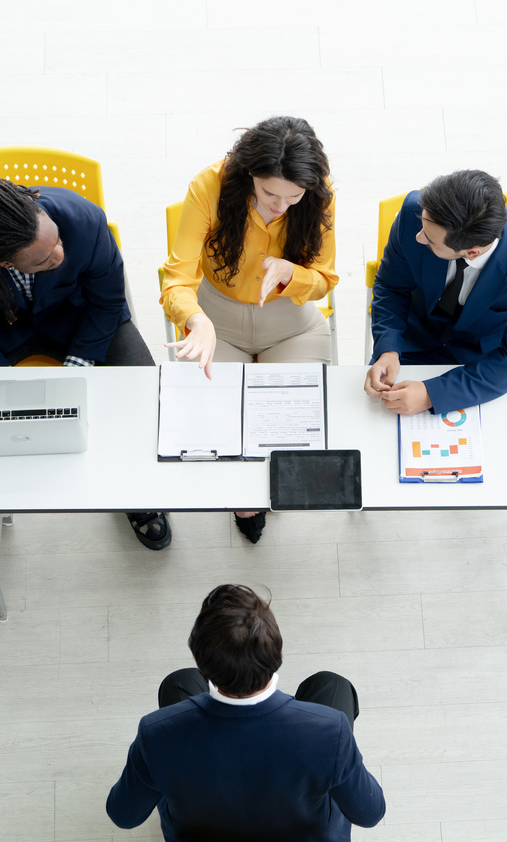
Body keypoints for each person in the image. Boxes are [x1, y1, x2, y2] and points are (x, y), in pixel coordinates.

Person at [0, 179, 171, 554]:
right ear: (4, 261)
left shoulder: (85, 219)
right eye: (44, 260)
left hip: (78, 319)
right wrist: (3, 382)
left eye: (59, 241)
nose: (60, 255)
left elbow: (107, 302)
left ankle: (133, 491)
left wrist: (78, 366)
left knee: (144, 389)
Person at [106, 584, 385, 842]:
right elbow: (370, 813)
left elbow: (124, 815)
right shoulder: (331, 730)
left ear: (205, 668)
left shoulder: (155, 733)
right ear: (277, 655)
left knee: (178, 683)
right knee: (331, 685)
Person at [161, 116, 337, 543]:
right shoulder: (209, 187)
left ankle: (265, 491)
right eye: (269, 193)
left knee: (292, 424)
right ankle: (246, 498)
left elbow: (325, 280)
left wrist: (290, 272)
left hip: (290, 322)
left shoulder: (321, 194)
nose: (280, 207)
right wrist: (195, 320)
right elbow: (176, 279)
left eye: (293, 197)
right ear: (248, 176)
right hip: (216, 318)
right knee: (215, 425)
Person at [364, 169, 507, 416]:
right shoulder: (414, 213)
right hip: (410, 341)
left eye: (429, 239)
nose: (418, 237)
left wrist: (431, 395)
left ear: (472, 252)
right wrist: (388, 349)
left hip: (480, 364)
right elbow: (391, 286)